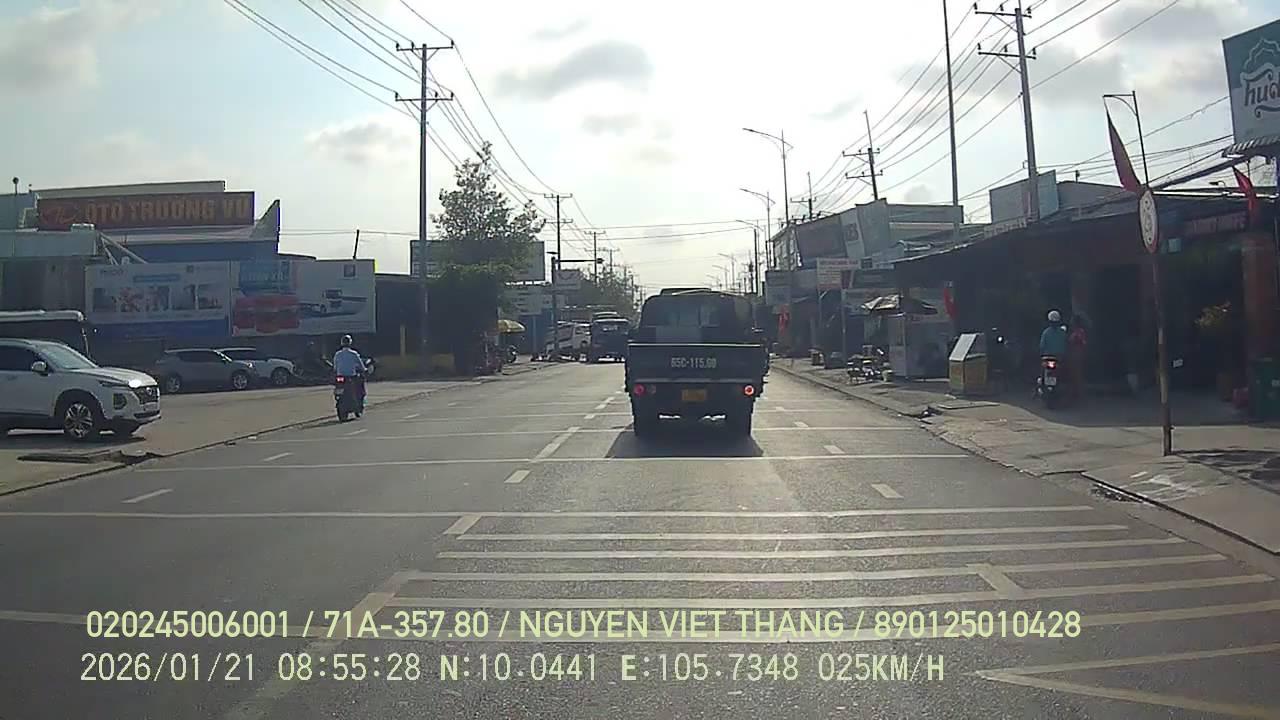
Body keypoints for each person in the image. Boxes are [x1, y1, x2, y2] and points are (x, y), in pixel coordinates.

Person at [332, 335, 366, 408]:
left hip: (340, 377)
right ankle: (358, 403)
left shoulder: (337, 354)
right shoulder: (354, 354)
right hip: (351, 376)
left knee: (338, 385)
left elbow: (335, 367)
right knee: (359, 389)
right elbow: (361, 365)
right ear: (350, 343)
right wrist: (364, 369)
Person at [1067, 314, 1089, 403]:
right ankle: (1075, 393)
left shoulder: (1079, 332)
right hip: (1074, 355)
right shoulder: (1075, 332)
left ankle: (1078, 394)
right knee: (1074, 375)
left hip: (1077, 356)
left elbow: (1083, 342)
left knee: (1077, 375)